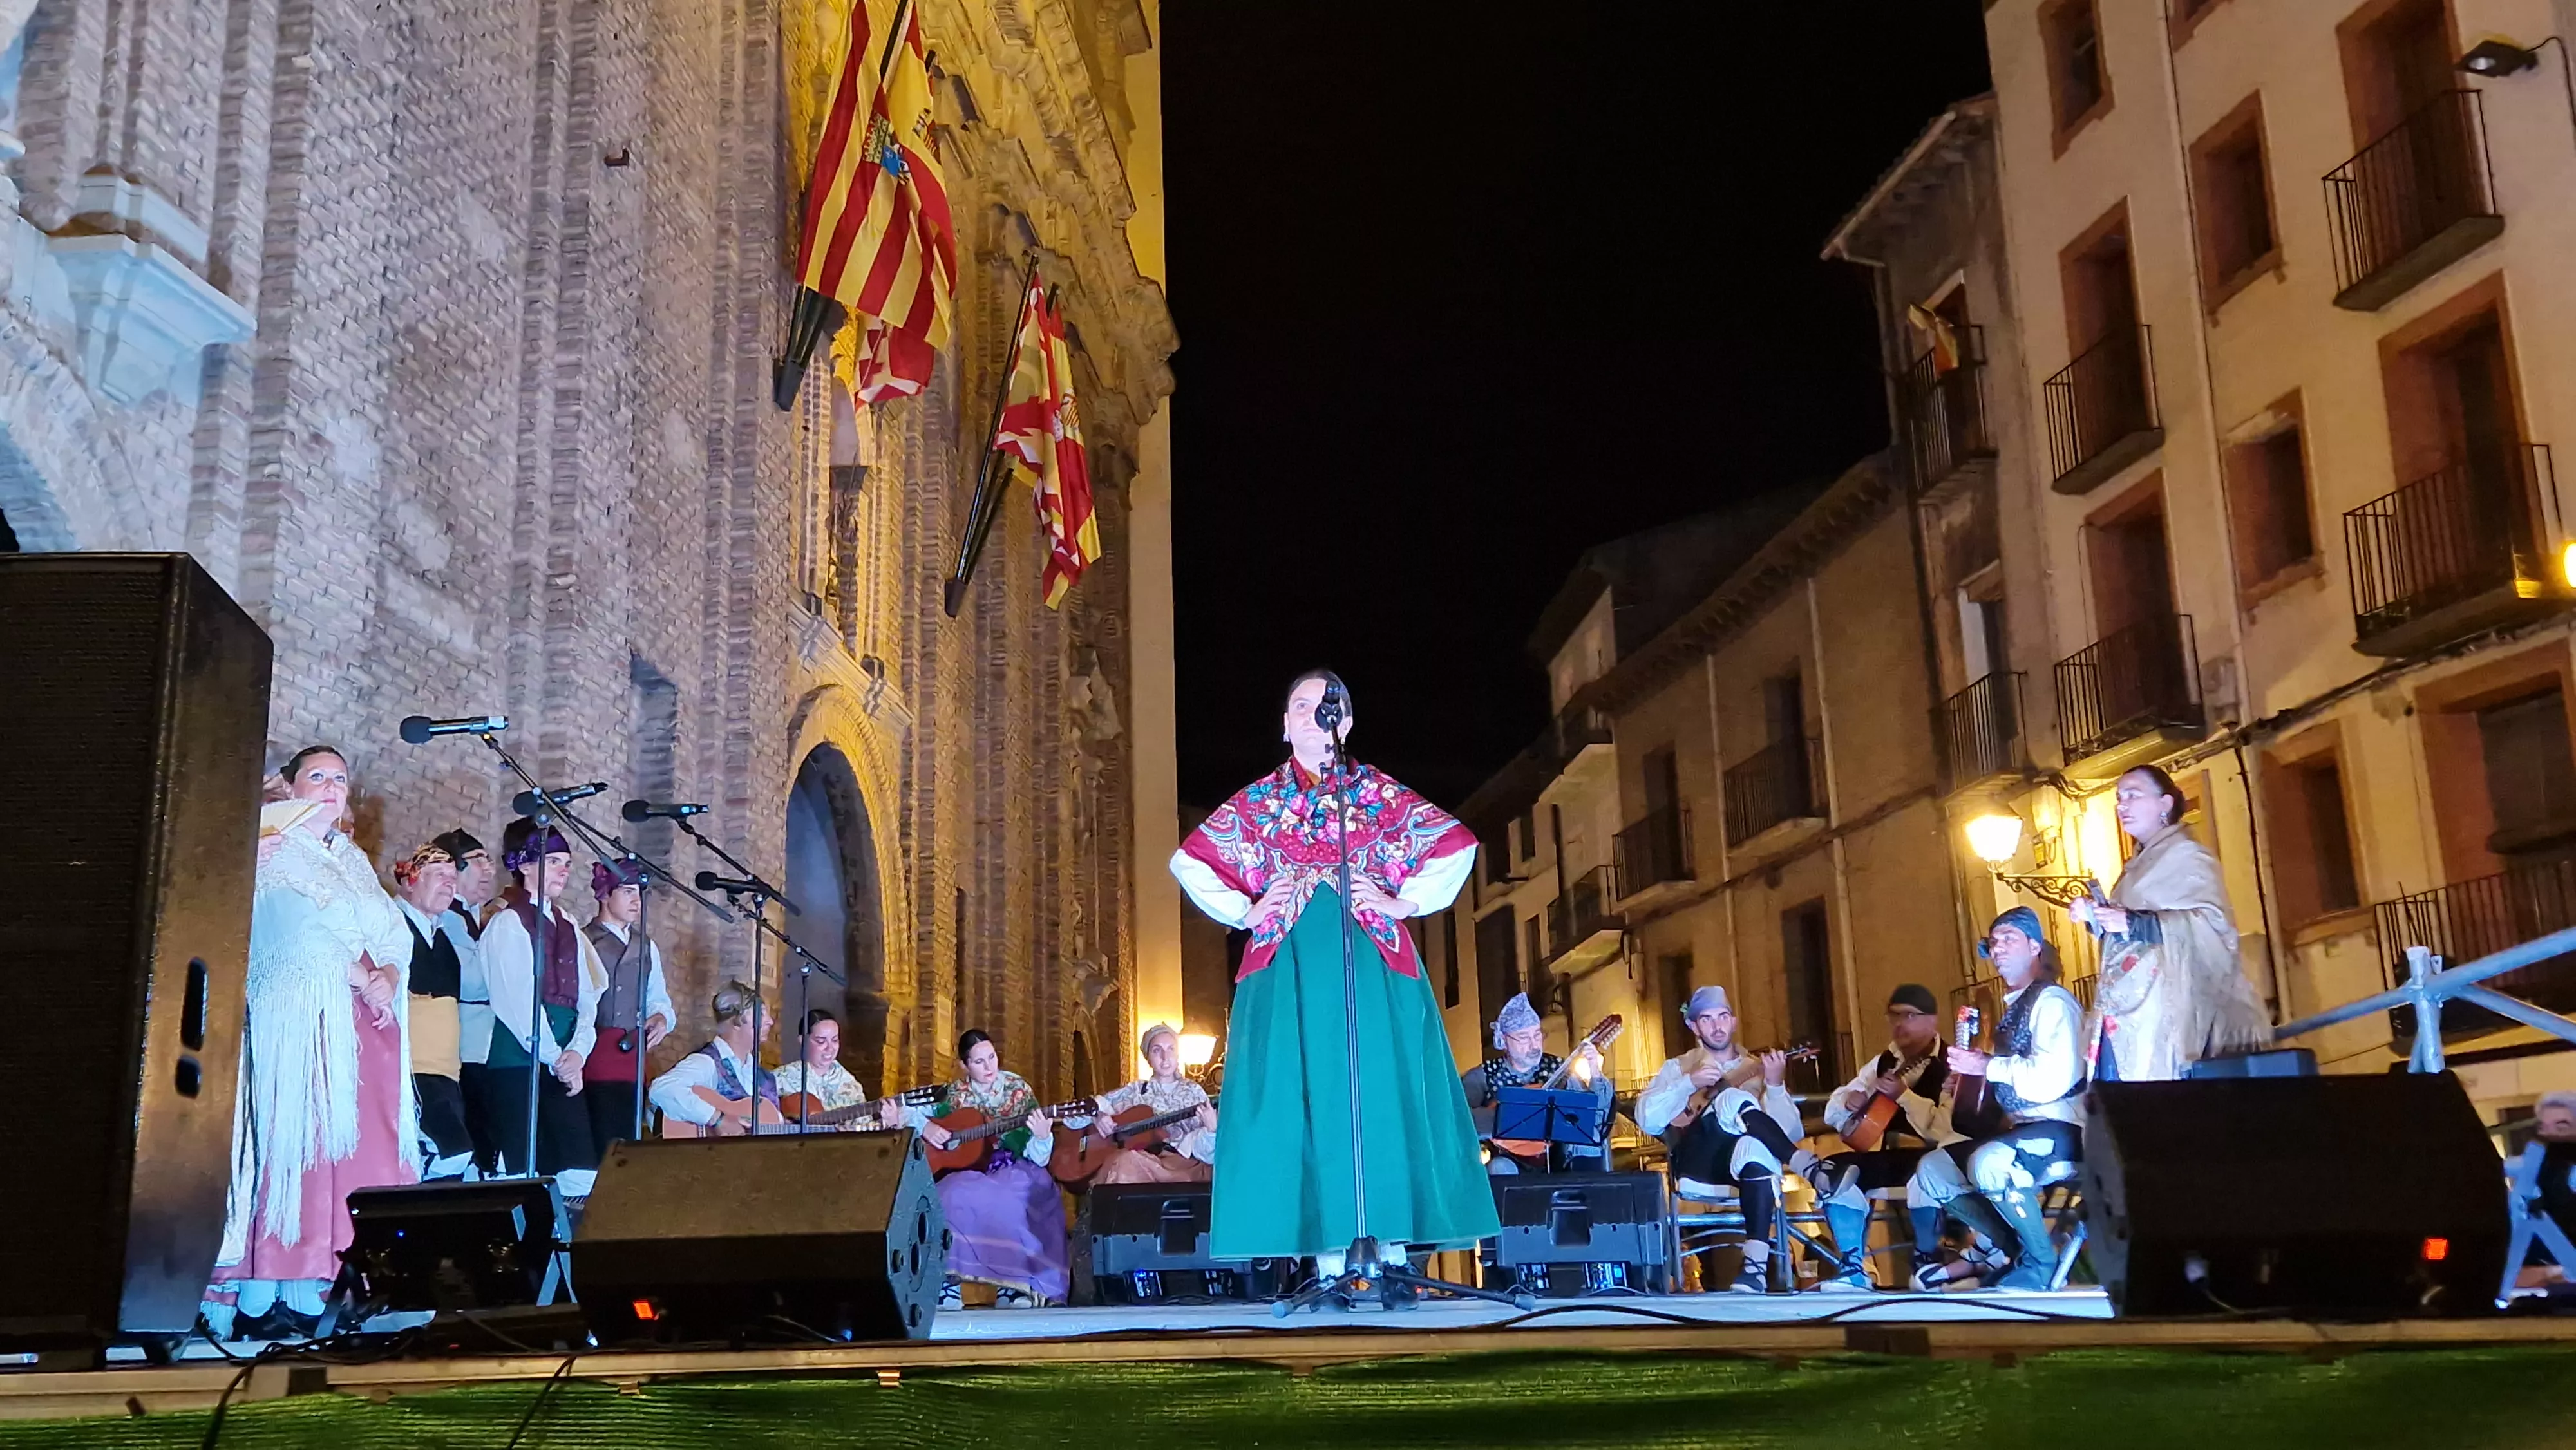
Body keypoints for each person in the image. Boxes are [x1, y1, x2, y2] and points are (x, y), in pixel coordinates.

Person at [1170, 670, 1497, 1270]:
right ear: (1285, 723)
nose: (1315, 715)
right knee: (1304, 1097)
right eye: (1301, 704)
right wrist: (1247, 908)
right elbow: (1191, 861)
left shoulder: (1377, 795)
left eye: (1328, 707)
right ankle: (1325, 1255)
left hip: (1369, 958)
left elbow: (1457, 843)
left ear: (1344, 724)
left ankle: (1391, 1247)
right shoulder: (1261, 802)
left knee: (1378, 1092)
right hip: (1290, 960)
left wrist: (1403, 903)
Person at [205, 746, 419, 1340]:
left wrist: (390, 977)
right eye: (317, 777)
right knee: (297, 1143)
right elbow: (288, 931)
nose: (330, 788)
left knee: (351, 1155)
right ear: (291, 788)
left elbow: (391, 931)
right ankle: (271, 1285)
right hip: (299, 1022)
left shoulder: (349, 858)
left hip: (362, 1024)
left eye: (340, 780)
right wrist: (360, 976)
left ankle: (329, 1281)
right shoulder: (271, 851)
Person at [1913, 907, 2087, 1291]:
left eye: (2009, 939)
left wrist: (1987, 1067)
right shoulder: (2013, 1010)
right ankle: (2019, 1253)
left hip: (2064, 1127)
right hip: (2020, 1127)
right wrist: (1965, 1084)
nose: (1999, 948)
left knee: (1991, 1162)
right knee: (1933, 1170)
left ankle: (2041, 1264)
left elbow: (2050, 1080)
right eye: (1994, 942)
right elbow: (2002, 1080)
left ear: (2035, 946)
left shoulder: (2053, 1003)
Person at [2070, 765, 2272, 1082]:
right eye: (2119, 798)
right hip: (2127, 1008)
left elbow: (2212, 923)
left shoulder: (2187, 854)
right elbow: (2127, 929)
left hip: (2166, 1011)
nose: (2122, 806)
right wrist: (2096, 916)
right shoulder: (2136, 865)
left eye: (2133, 796)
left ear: (2165, 803)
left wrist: (2134, 923)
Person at [1634, 985, 1803, 1294]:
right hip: (1698, 1162)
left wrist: (1776, 1086)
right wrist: (1688, 1083)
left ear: (1734, 1022)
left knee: (1755, 1146)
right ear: (1694, 1026)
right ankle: (1806, 1165)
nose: (1717, 1026)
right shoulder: (1678, 1067)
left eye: (1723, 1017)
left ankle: (1754, 1266)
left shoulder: (1757, 1067)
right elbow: (1647, 1119)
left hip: (1747, 1169)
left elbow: (1789, 1134)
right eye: (1708, 1019)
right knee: (1733, 1100)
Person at [882, 1030, 1068, 1306]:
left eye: (992, 1057)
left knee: (1008, 1200)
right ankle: (946, 1283)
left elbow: (1038, 1157)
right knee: (948, 1196)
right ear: (964, 1066)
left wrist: (1043, 1136)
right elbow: (906, 1107)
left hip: (1014, 1165)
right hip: (971, 1169)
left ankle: (1016, 1286)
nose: (990, 1066)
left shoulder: (1018, 1091)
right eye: (979, 1062)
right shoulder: (954, 1094)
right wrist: (928, 1127)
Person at [480, 818, 607, 1196]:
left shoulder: (567, 922)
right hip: (522, 1060)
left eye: (567, 863)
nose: (564, 870)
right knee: (526, 1169)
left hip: (563, 1060)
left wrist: (578, 1053)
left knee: (577, 1168)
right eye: (554, 861)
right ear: (524, 865)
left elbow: (588, 996)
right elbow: (516, 1001)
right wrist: (556, 1056)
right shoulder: (508, 923)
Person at [1809, 983, 1957, 1291]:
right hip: (1893, 1154)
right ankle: (1852, 1266)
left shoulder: (1953, 1063)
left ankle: (1927, 1261)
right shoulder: (1884, 1061)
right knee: (1833, 1171)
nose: (1900, 1023)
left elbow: (1944, 1128)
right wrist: (1850, 1098)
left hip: (1940, 1156)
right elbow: (1834, 1109)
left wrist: (1904, 1096)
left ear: (1932, 1021)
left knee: (1927, 1172)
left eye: (1909, 1015)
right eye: (1894, 1016)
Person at [393, 842, 477, 1182]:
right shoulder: (392, 925)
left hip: (446, 1073)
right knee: (452, 1151)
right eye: (438, 875)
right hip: (411, 1069)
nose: (449, 884)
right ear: (412, 880)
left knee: (453, 1168)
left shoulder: (443, 937)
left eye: (453, 878)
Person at [580, 858, 676, 1155]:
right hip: (594, 1050)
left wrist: (660, 1018)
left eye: (639, 893)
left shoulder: (646, 945)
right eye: (627, 892)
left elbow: (658, 997)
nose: (637, 901)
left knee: (629, 1135)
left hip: (632, 1053)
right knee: (600, 1129)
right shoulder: (583, 939)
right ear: (606, 895)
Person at [1463, 992, 1610, 1174]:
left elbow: (1596, 1114)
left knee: (1587, 1147)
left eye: (1537, 1035)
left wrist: (1595, 1071)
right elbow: (1459, 1119)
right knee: (1498, 1169)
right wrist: (1502, 1118)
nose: (1534, 1046)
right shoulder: (1485, 1076)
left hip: (1557, 1156)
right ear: (1504, 1041)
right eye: (1524, 1038)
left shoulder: (1559, 1069)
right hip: (1507, 1159)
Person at [434, 829, 503, 1175]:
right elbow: (471, 979)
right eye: (479, 861)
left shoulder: (477, 918)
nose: (489, 870)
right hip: (463, 1041)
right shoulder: (445, 918)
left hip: (487, 1041)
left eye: (489, 860)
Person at [1084, 1023, 1219, 1185]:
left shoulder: (1194, 1091)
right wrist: (1097, 1115)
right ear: (1148, 1058)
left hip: (1183, 1169)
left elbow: (1206, 1153)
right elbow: (1082, 1111)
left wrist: (1211, 1130)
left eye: (1171, 1049)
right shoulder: (1135, 1091)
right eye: (1157, 1050)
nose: (1165, 1056)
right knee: (1125, 1161)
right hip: (1141, 1165)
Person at [649, 981, 784, 1135]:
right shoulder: (707, 1063)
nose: (770, 1021)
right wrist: (717, 1119)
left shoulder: (764, 1077)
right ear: (737, 1021)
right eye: (761, 1014)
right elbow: (662, 1089)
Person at [774, 1009, 869, 1129]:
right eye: (821, 1041)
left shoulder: (851, 1085)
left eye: (835, 1040)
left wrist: (887, 1122)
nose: (830, 1048)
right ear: (803, 1040)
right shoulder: (781, 1079)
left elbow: (864, 1130)